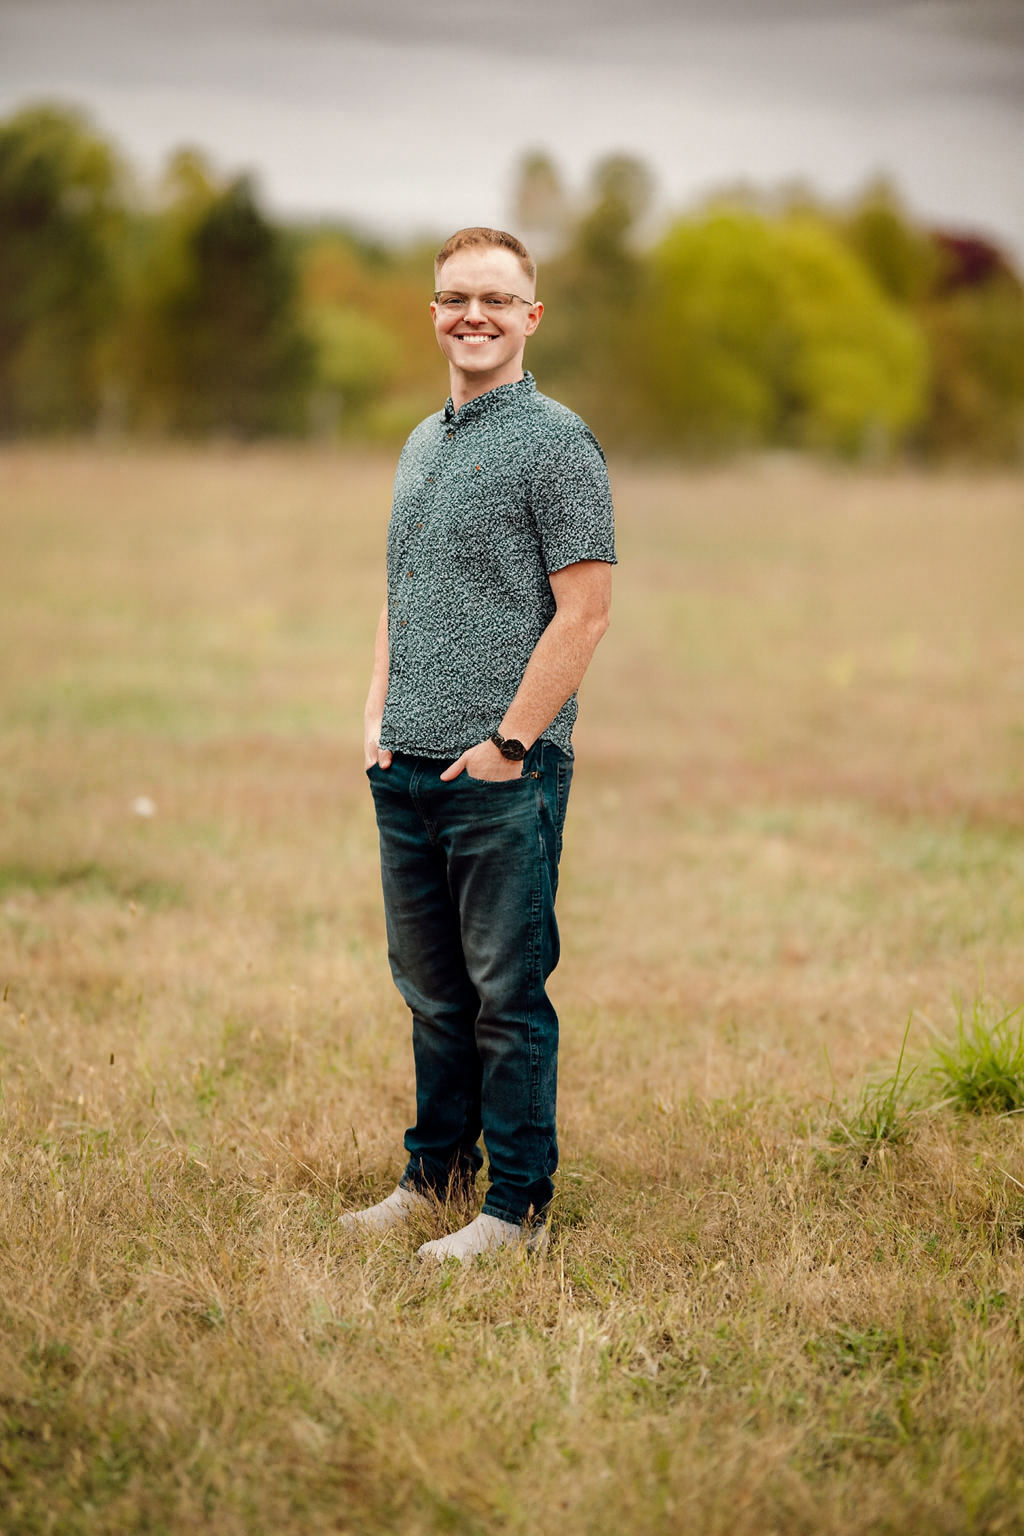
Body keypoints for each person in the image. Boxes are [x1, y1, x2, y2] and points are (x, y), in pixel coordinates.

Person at [344, 226, 615, 1262]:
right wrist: (374, 715)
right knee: (430, 992)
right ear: (433, 312)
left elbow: (584, 614)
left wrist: (510, 741)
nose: (473, 315)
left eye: (496, 301)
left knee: (507, 995)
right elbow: (398, 590)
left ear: (530, 317)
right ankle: (435, 1178)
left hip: (503, 774)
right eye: (456, 297)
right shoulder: (421, 441)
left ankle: (516, 1213)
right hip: (402, 767)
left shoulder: (557, 443)